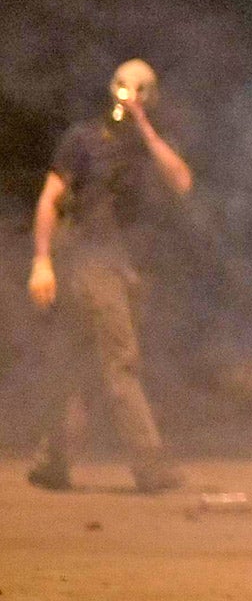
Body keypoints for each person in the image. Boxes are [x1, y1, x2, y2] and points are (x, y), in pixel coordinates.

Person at [25, 59, 192, 495]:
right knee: (121, 362)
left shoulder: (150, 143)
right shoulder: (83, 139)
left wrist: (145, 128)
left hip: (127, 268)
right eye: (122, 87)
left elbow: (182, 181)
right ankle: (150, 467)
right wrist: (42, 259)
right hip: (90, 263)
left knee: (75, 364)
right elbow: (50, 197)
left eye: (139, 90)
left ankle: (51, 462)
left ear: (151, 97)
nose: (127, 95)